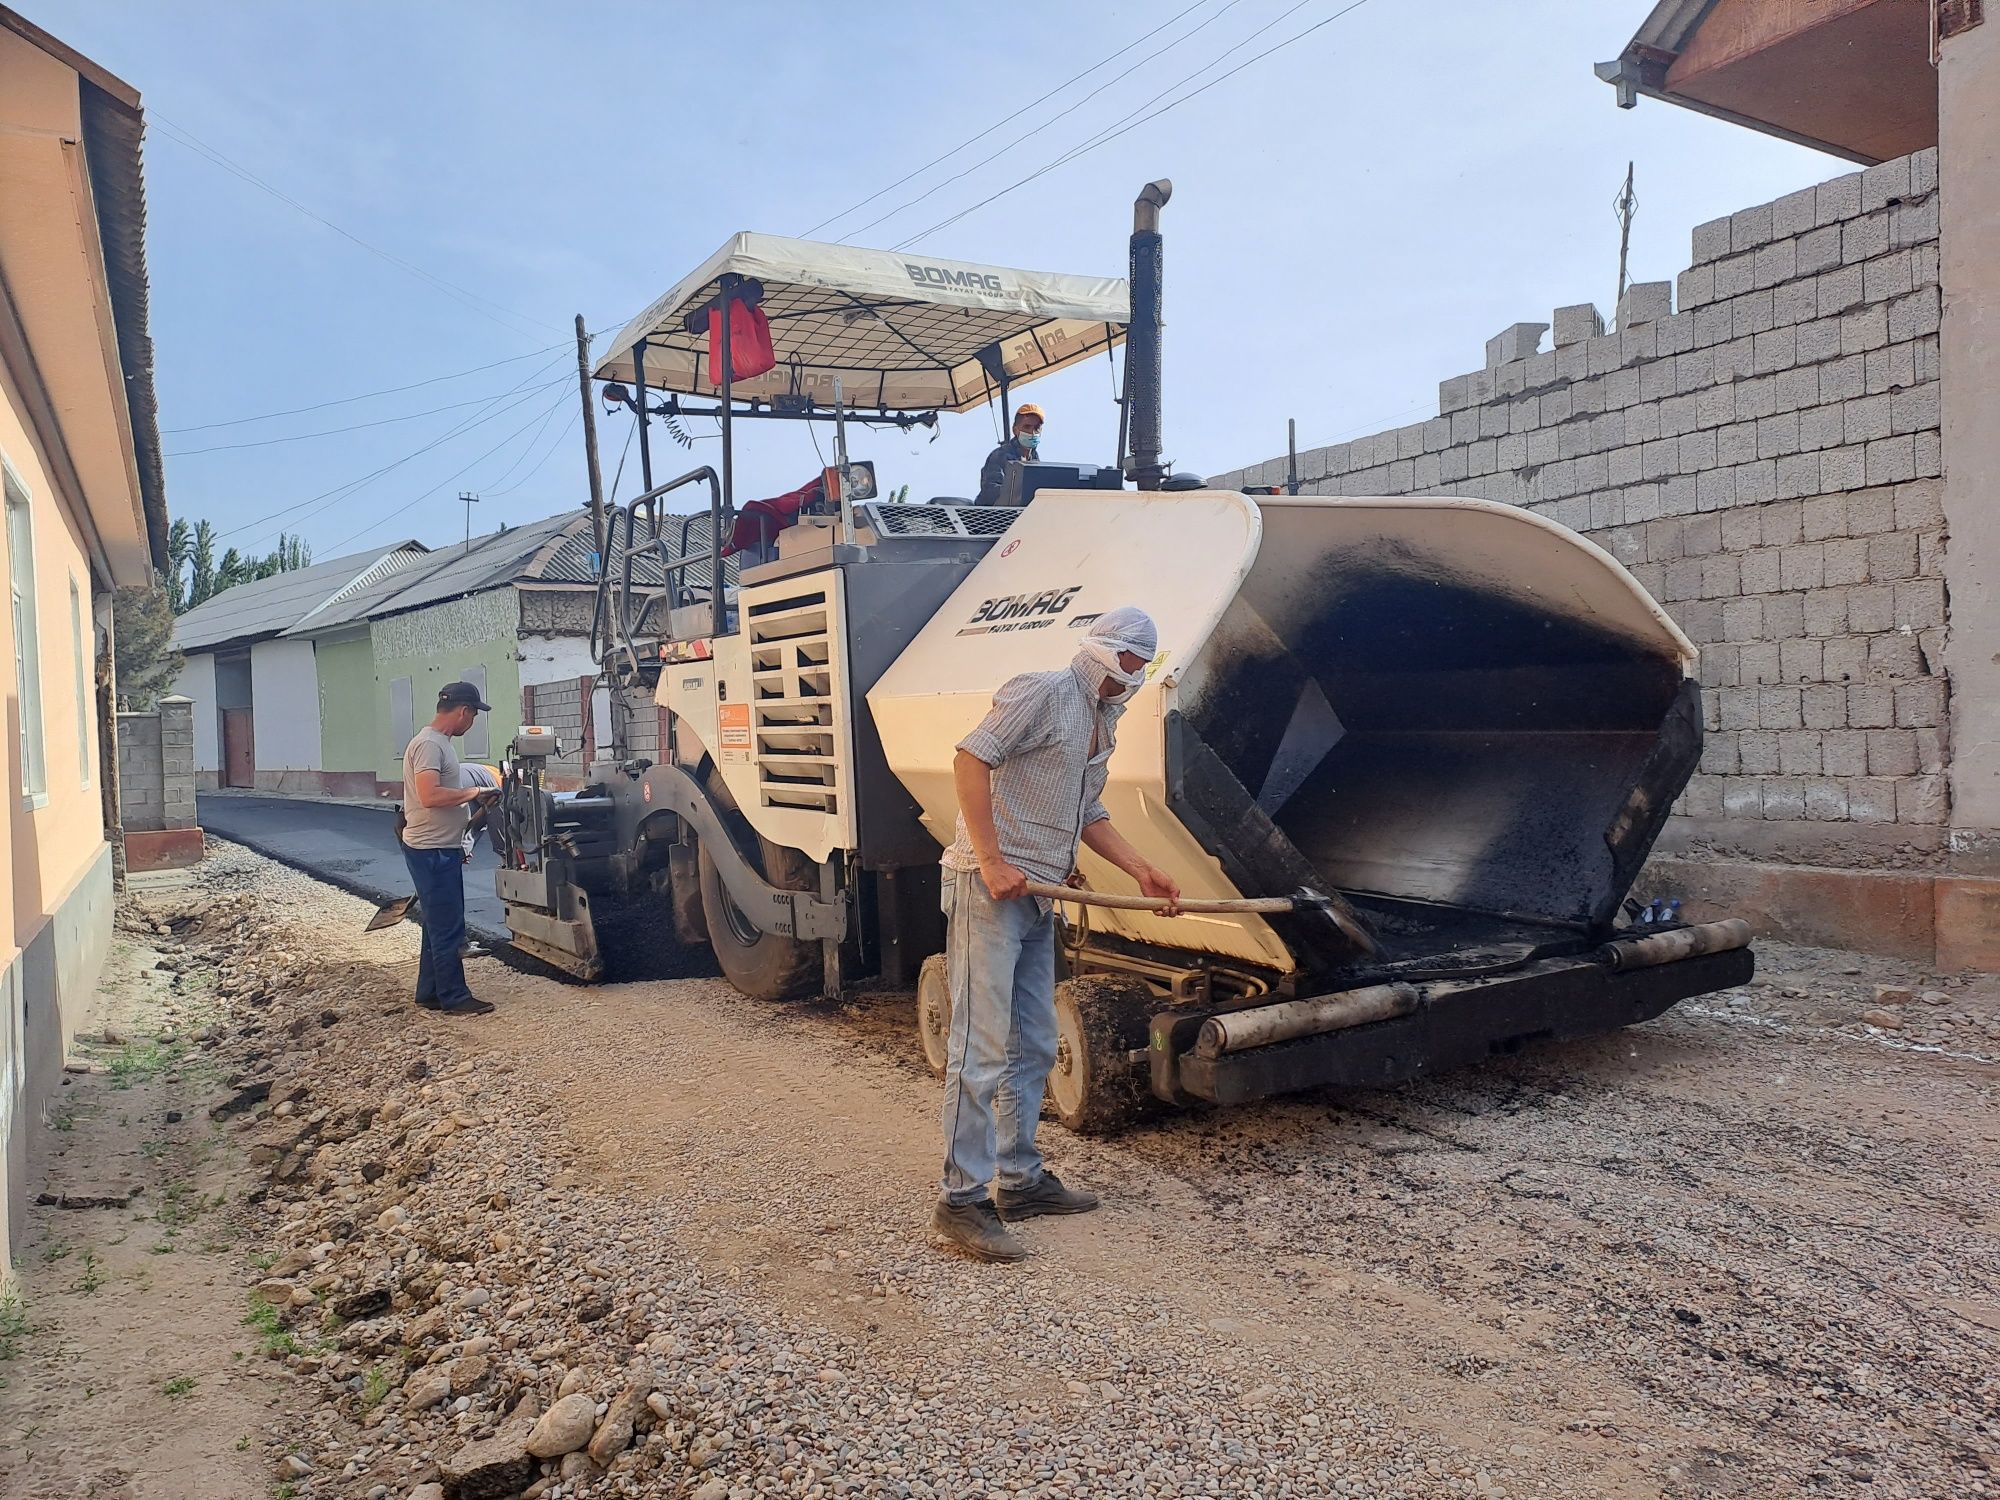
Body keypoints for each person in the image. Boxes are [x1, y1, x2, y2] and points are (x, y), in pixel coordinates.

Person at [933, 607, 1181, 1262]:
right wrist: (991, 860)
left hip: (1041, 896)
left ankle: (1020, 1181)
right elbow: (969, 759)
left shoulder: (1104, 720)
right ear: (1109, 653)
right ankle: (960, 1202)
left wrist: (1142, 871)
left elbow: (1087, 809)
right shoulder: (1042, 691)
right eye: (1137, 660)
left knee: (1033, 1043)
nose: (1141, 674)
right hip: (987, 890)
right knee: (979, 1047)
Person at [399, 682, 499, 1017]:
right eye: (473, 715)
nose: (472, 723)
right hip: (432, 849)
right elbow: (430, 796)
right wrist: (473, 793)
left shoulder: (436, 743)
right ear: (463, 711)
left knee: (436, 923)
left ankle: (429, 992)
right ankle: (455, 998)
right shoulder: (430, 745)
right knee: (449, 927)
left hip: (438, 846)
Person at [975, 402, 1044, 505]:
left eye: (1036, 428)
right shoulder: (1000, 456)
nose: (1032, 432)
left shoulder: (1035, 459)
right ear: (1015, 430)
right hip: (991, 517)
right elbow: (991, 491)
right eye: (1027, 427)